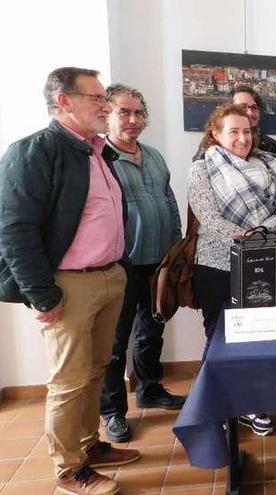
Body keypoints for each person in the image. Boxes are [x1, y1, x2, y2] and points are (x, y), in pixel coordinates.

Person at [0, 67, 140, 495]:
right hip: (68, 285)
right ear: (64, 101)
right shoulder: (33, 152)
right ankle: (68, 471)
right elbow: (14, 229)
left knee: (97, 369)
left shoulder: (97, 151)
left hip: (108, 276)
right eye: (97, 98)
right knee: (68, 381)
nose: (105, 105)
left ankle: (88, 446)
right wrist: (42, 295)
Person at [189, 103, 276, 436]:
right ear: (215, 135)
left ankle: (250, 403)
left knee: (257, 337)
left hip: (262, 264)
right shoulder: (202, 169)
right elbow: (209, 217)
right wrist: (248, 235)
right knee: (218, 339)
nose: (242, 138)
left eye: (247, 131)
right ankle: (214, 405)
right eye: (233, 131)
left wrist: (262, 233)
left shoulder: (270, 165)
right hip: (218, 265)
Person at [100, 84, 186, 444]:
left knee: (152, 328)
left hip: (159, 260)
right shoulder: (99, 158)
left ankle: (150, 388)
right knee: (115, 341)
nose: (134, 120)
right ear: (107, 114)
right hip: (120, 264)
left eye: (139, 113)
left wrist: (178, 244)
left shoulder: (152, 155)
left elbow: (167, 201)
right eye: (124, 112)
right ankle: (112, 411)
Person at [192, 85, 276, 160]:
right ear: (229, 110)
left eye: (254, 107)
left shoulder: (271, 146)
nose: (250, 113)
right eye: (242, 107)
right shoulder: (213, 142)